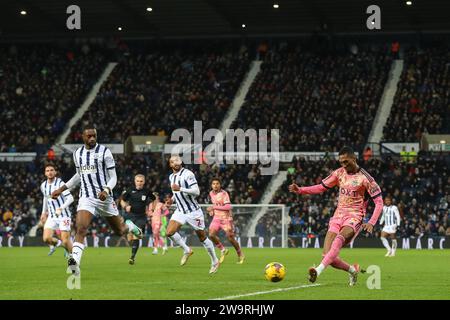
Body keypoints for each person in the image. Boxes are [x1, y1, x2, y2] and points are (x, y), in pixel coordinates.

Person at [51, 125, 143, 275]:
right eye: (89, 136)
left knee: (120, 231)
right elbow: (78, 176)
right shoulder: (78, 154)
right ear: (83, 137)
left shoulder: (104, 152)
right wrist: (61, 189)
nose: (92, 138)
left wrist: (106, 190)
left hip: (105, 198)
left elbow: (114, 177)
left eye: (94, 135)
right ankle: (75, 264)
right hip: (86, 197)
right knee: (81, 228)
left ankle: (130, 226)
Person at [289, 146, 383, 286]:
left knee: (338, 240)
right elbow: (321, 187)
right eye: (341, 162)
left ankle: (318, 270)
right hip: (338, 216)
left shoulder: (366, 178)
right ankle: (352, 270)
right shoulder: (339, 173)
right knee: (327, 256)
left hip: (354, 217)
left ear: (354, 158)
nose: (343, 165)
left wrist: (371, 222)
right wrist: (301, 190)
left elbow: (379, 202)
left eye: (346, 161)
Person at [164, 155, 220, 274]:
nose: (176, 163)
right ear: (170, 165)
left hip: (193, 212)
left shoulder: (188, 174)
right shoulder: (171, 177)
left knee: (202, 237)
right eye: (173, 162)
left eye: (178, 160)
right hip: (180, 211)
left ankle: (215, 261)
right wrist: (172, 200)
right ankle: (187, 250)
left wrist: (181, 188)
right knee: (169, 232)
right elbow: (176, 193)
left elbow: (196, 191)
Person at [207, 178, 245, 264]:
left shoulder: (224, 193)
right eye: (213, 184)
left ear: (220, 185)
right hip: (216, 218)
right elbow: (215, 204)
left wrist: (214, 207)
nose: (215, 185)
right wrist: (212, 211)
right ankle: (223, 249)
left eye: (217, 183)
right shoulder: (211, 193)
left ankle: (240, 254)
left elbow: (228, 207)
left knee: (230, 238)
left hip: (226, 219)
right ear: (211, 185)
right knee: (211, 235)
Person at [120, 174, 155, 264]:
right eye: (138, 181)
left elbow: (154, 199)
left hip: (141, 217)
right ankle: (133, 230)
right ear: (135, 181)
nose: (139, 183)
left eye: (141, 181)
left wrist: (152, 209)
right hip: (131, 216)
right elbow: (122, 200)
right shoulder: (130, 190)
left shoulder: (147, 191)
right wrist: (125, 206)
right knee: (131, 238)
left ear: (144, 182)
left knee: (136, 237)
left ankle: (132, 257)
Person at [40, 164, 74, 256]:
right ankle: (61, 245)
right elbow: (45, 198)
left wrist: (61, 208)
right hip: (51, 216)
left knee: (66, 241)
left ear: (55, 172)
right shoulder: (44, 185)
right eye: (47, 171)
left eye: (51, 170)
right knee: (46, 238)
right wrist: (43, 213)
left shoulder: (60, 184)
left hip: (64, 215)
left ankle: (74, 260)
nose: (50, 172)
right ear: (45, 173)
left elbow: (71, 198)